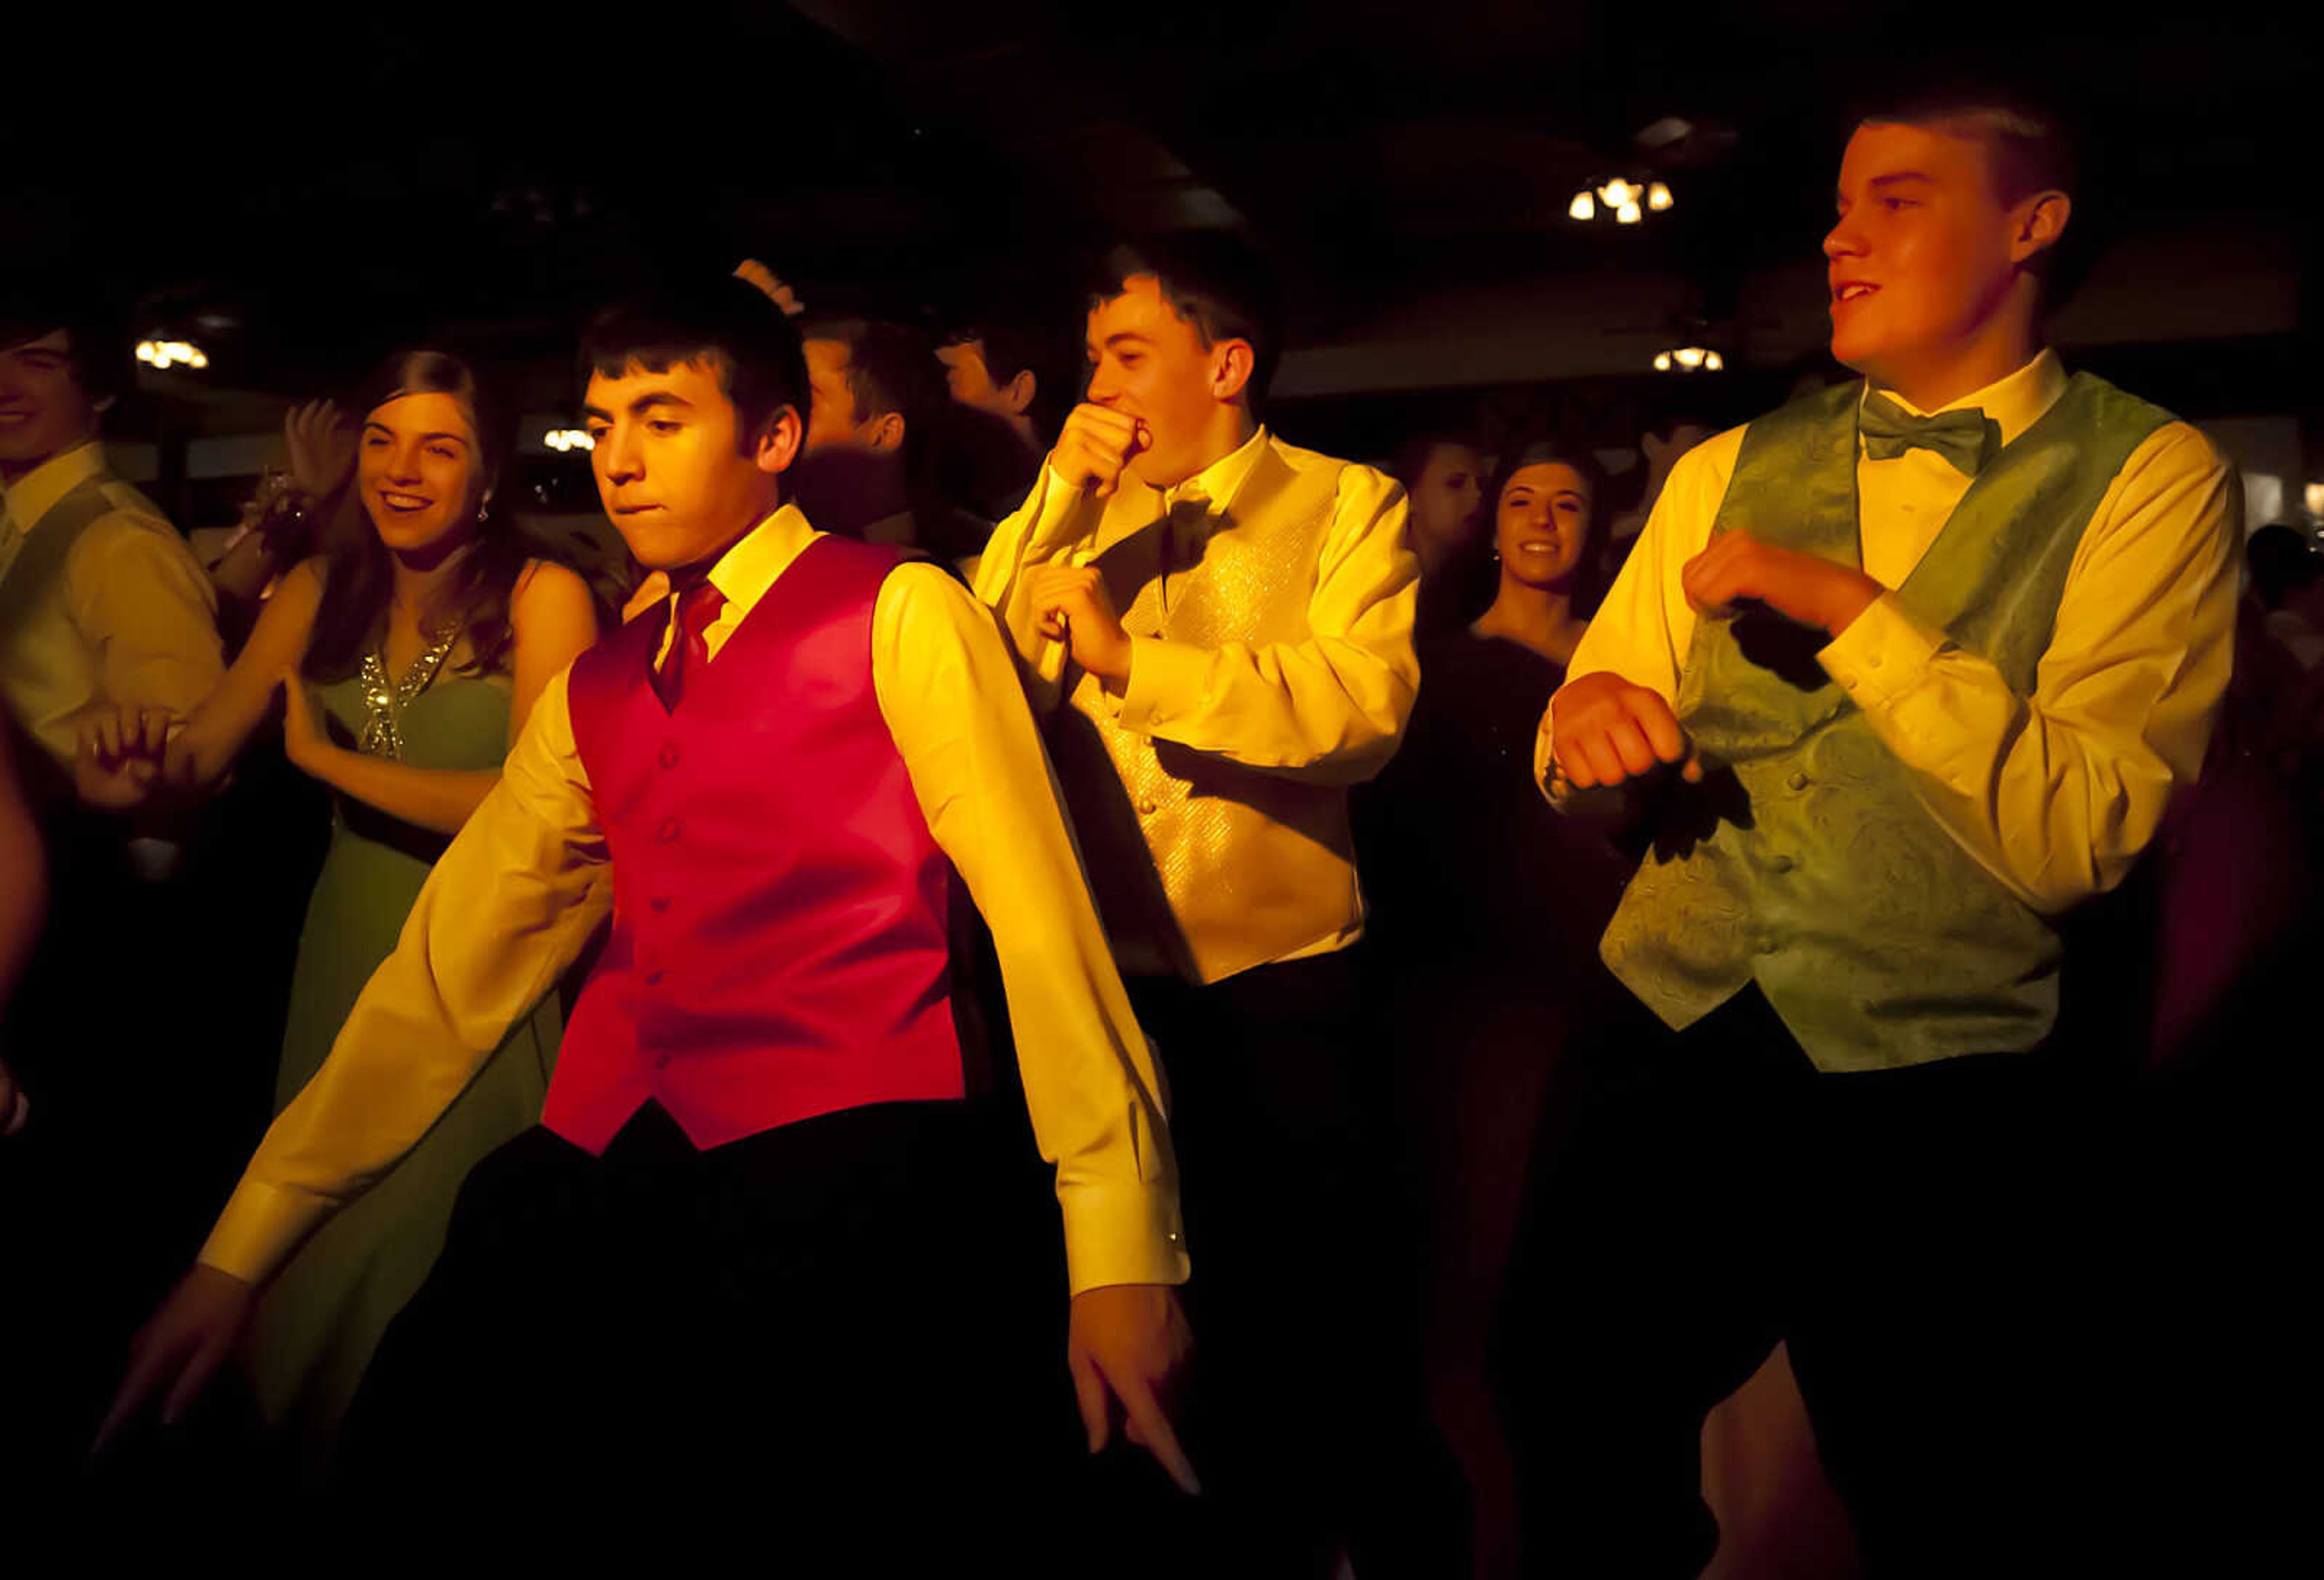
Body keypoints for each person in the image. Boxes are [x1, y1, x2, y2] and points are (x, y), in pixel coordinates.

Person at [103, 277, 1192, 1562]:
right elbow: (446, 976)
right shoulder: (601, 682)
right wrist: (241, 1251)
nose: (617, 460)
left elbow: (1040, 925)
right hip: (612, 1159)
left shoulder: (902, 611)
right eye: (603, 422)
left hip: (845, 1177)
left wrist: (1121, 1244)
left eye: (662, 420)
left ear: (773, 438)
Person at [1498, 84, 2241, 1577]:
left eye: (1894, 199)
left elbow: (2077, 840)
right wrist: (1584, 746)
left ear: (2030, 226)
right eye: (1838, 204)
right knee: (1565, 1406)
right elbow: (1588, 720)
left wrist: (1852, 612)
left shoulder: (2153, 477)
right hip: (1675, 1016)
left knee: (1944, 1483)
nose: (1838, 237)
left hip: (1943, 1075)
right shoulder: (1722, 467)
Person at [973, 234, 1461, 1575]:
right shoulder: (1076, 510)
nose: (1099, 385)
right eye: (1094, 362)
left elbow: (1364, 711)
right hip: (1102, 990)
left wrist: (1139, 658)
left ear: (1225, 363)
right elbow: (962, 684)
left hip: (1283, 984)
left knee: (1326, 1346)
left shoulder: (1345, 501)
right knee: (1132, 1344)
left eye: (1126, 356)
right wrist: (1055, 497)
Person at [74, 350, 600, 1468]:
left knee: (427, 1275)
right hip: (344, 957)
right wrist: (128, 775)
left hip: (481, 967)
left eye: (439, 447)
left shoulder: (542, 595)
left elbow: (538, 815)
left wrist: (330, 763)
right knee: (306, 1269)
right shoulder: (316, 589)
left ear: (489, 472)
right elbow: (206, 747)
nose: (403, 471)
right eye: (381, 441)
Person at [1354, 434, 1635, 1574]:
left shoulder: (1630, 667)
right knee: (1462, 1279)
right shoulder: (1430, 667)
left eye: (1567, 503)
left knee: (1580, 1292)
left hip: (1601, 998)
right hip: (1465, 1005)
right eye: (1522, 498)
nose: (1540, 520)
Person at [0, 274, 224, 779]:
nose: (3, 388)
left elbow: (189, 749)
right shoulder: (20, 520)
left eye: (37, 364)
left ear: (100, 388)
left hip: (82, 848)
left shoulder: (117, 539)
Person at [1388, 430, 1487, 589]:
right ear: (1409, 497)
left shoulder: (1484, 581)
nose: (1478, 495)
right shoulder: (1385, 584)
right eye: (1456, 484)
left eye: (1482, 485)